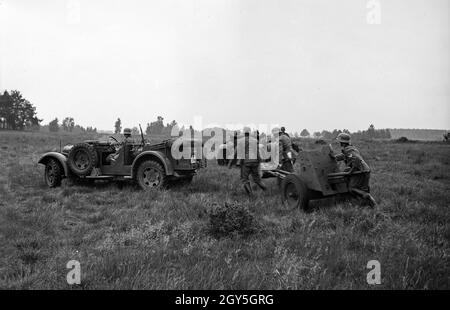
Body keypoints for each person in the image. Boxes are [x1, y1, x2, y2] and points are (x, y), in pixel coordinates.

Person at [330, 133, 376, 206]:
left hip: (360, 171)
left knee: (352, 188)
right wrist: (334, 158)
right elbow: (343, 156)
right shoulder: (351, 148)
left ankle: (367, 196)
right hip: (365, 170)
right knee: (362, 189)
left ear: (342, 143)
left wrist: (350, 172)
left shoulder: (348, 150)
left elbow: (356, 160)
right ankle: (370, 205)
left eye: (339, 142)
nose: (339, 143)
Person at [229, 127, 266, 196]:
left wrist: (231, 163)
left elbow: (235, 153)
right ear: (250, 133)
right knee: (257, 179)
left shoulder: (240, 141)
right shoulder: (255, 141)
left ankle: (251, 195)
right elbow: (257, 152)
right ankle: (266, 190)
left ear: (244, 133)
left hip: (246, 162)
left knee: (244, 179)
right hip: (255, 162)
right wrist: (259, 161)